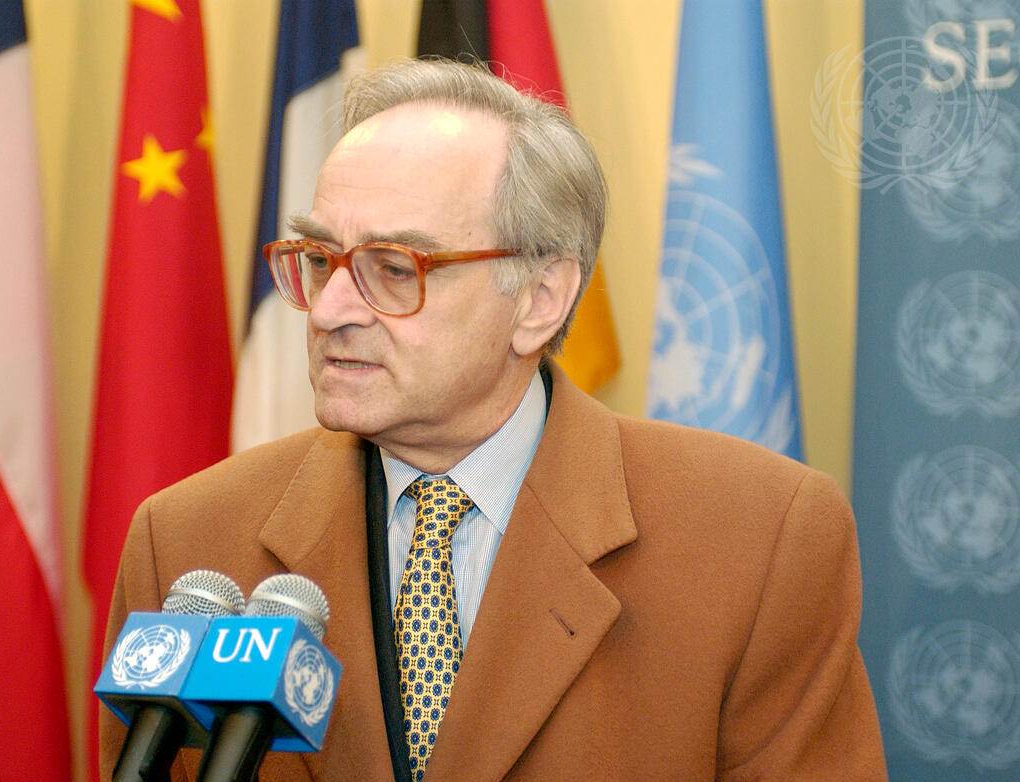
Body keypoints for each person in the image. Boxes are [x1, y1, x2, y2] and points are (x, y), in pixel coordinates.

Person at [101, 58, 887, 781]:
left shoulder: (758, 537)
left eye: (394, 268)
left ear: (540, 299)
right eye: (318, 259)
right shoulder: (189, 544)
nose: (330, 310)